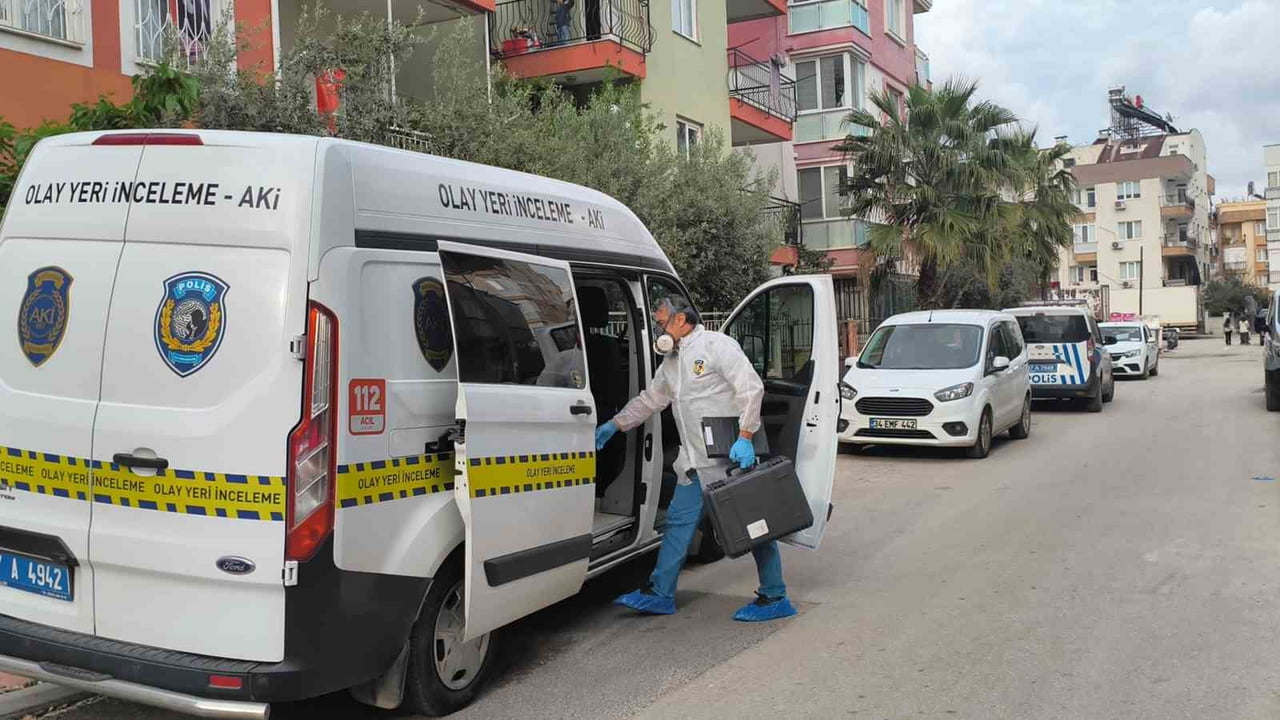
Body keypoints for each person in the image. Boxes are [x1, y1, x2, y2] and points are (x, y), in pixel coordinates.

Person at [593, 296, 796, 622]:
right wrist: (615, 424)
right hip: (693, 463)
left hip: (729, 459)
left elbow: (751, 389)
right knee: (678, 524)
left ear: (680, 320)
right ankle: (660, 594)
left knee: (753, 526)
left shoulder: (717, 345)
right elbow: (650, 400)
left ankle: (775, 596)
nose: (659, 330)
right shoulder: (672, 362)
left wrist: (746, 437)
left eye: (662, 323)